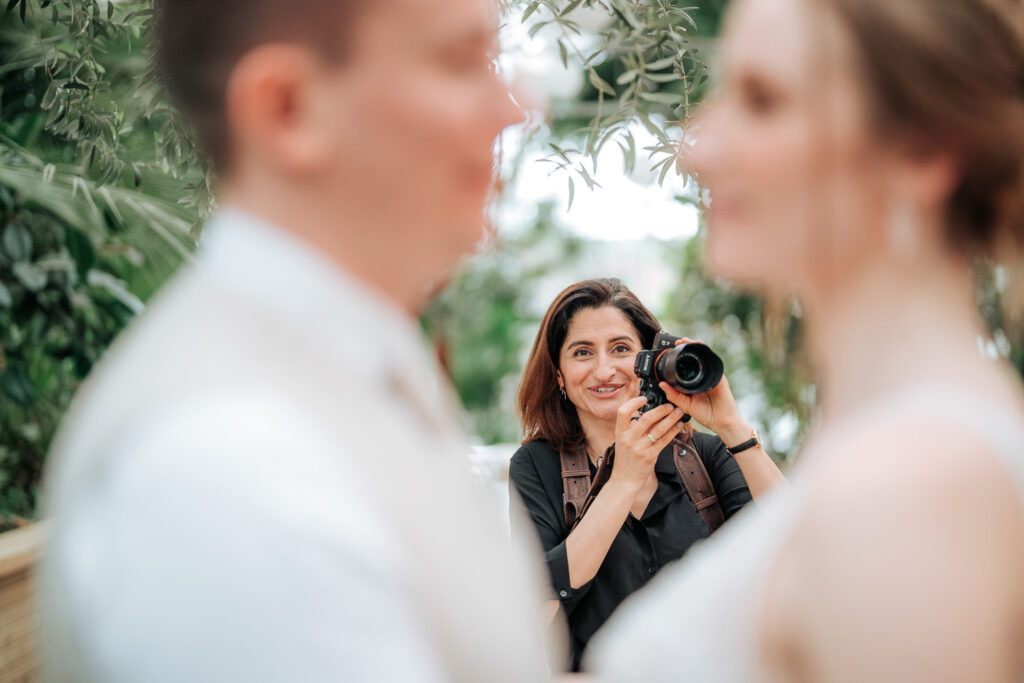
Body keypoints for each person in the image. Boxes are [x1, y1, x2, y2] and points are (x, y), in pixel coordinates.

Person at [39, 1, 552, 681]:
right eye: (461, 63)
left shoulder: (354, 358)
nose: (515, 108)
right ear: (288, 109)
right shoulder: (227, 462)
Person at [587, 0, 1024, 680]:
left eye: (763, 101)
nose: (698, 146)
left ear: (922, 148)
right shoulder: (894, 447)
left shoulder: (913, 488)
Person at [509, 278, 784, 670]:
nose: (604, 370)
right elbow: (535, 607)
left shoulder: (707, 456)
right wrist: (622, 481)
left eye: (621, 349)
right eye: (582, 352)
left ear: (649, 362)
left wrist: (731, 426)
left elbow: (798, 550)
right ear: (559, 376)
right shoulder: (537, 466)